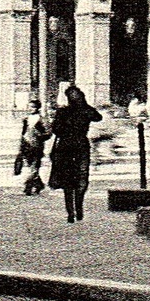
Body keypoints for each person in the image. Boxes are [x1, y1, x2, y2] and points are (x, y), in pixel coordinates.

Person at [48, 86, 104, 222]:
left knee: (69, 181)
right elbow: (97, 117)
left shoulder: (63, 112)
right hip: (79, 146)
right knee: (81, 178)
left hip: (66, 147)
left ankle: (72, 212)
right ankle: (77, 209)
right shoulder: (85, 110)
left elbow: (55, 130)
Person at [18, 101, 52, 196]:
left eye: (33, 107)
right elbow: (23, 133)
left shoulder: (42, 120)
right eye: (29, 107)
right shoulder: (26, 119)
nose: (30, 109)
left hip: (37, 146)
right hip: (26, 145)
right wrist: (21, 145)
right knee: (30, 166)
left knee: (34, 167)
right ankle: (39, 184)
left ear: (37, 108)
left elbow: (48, 133)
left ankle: (28, 187)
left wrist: (39, 135)